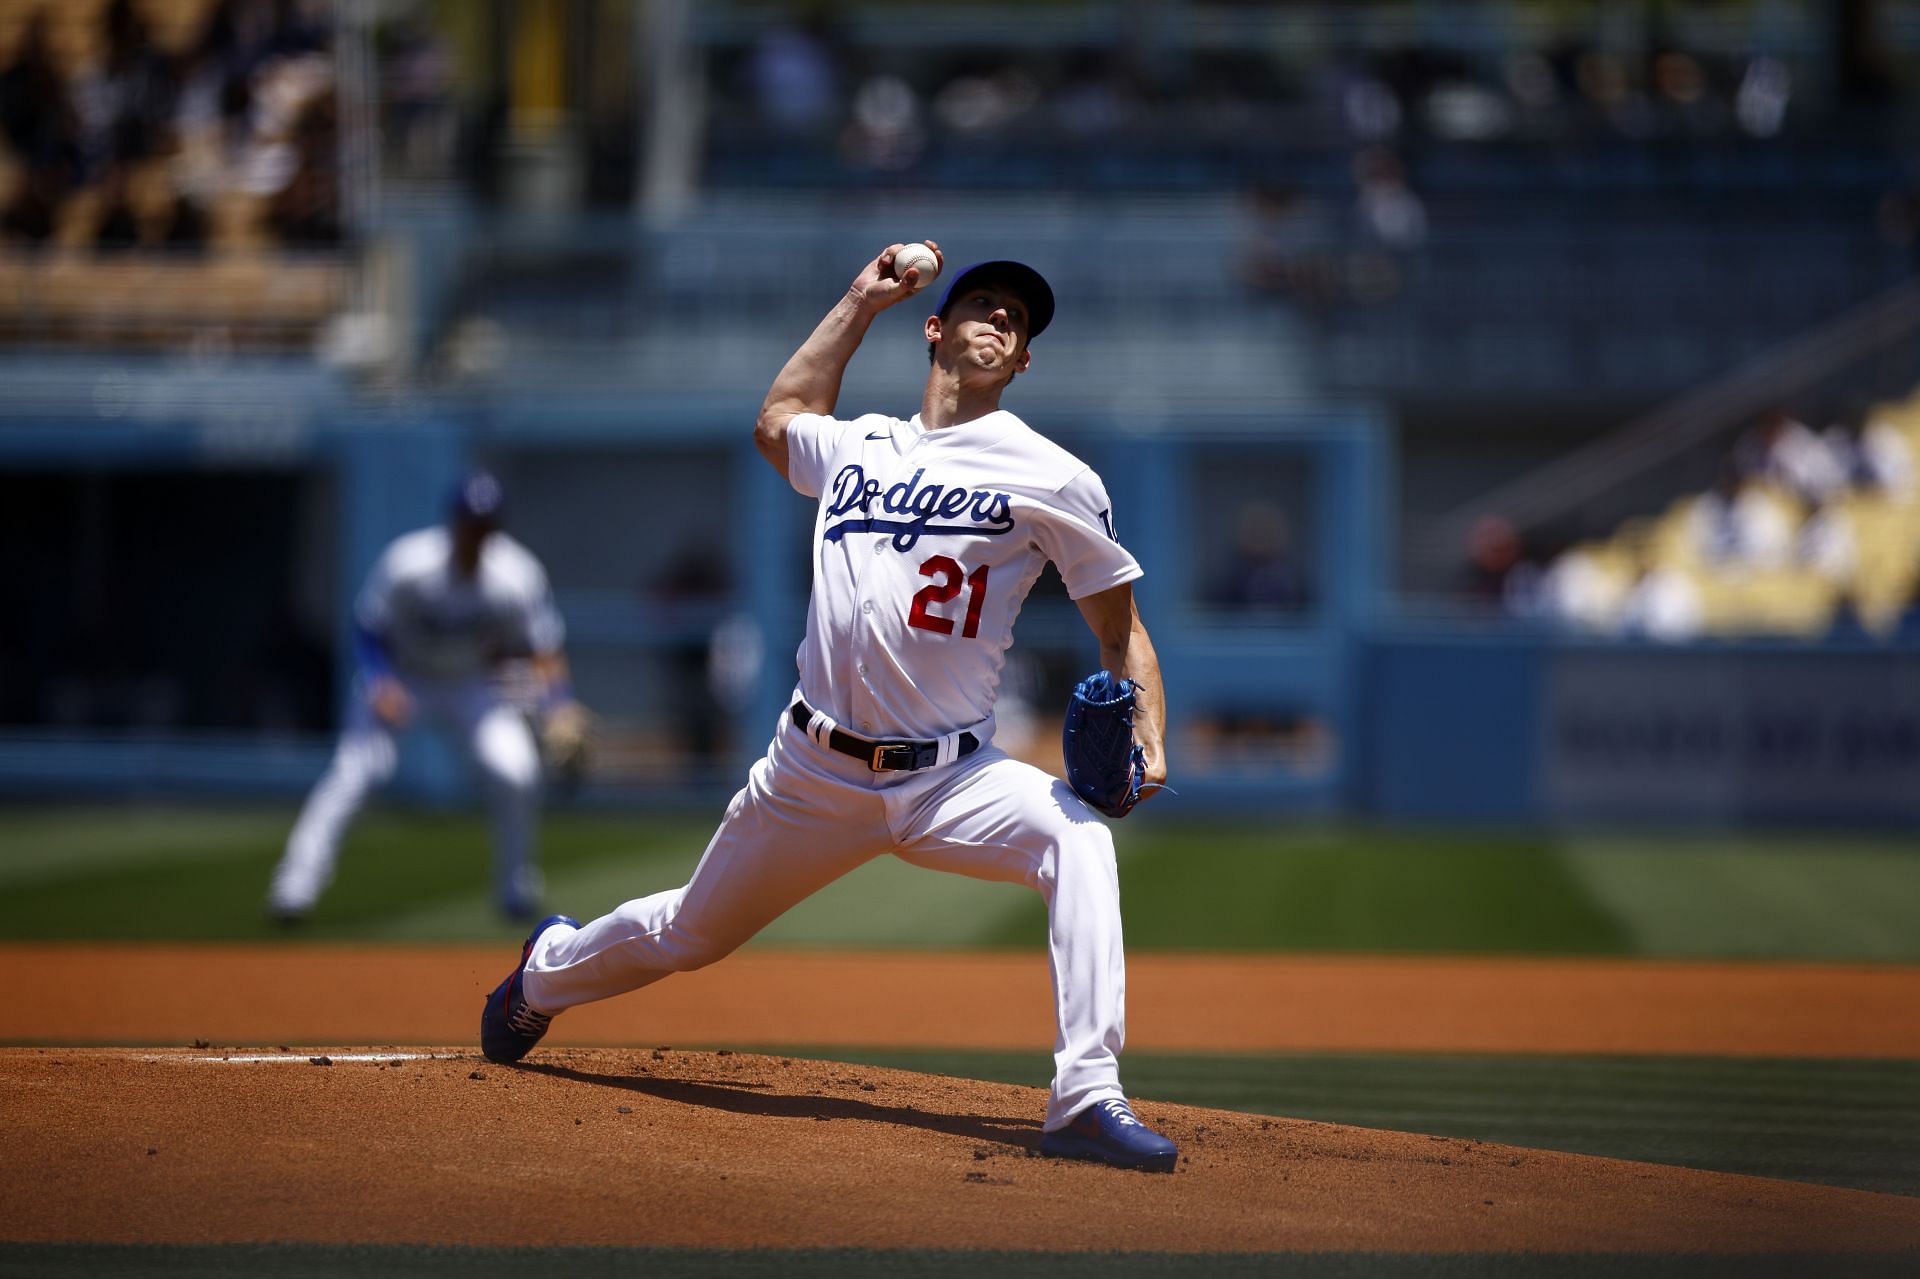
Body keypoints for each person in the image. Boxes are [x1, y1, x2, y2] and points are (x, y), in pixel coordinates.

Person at [480, 246, 1181, 1173]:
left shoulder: (1053, 475)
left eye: (1018, 321)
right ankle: (546, 972)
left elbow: (1120, 625)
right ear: (935, 327)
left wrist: (1152, 738)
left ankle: (1085, 1096)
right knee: (691, 933)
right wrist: (861, 298)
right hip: (812, 771)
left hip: (953, 775)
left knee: (1079, 839)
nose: (1002, 319)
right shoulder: (858, 443)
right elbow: (777, 423)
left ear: (1021, 365)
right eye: (984, 303)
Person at [267, 470, 580, 925]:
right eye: (470, 522)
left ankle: (516, 888)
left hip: (472, 685)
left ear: (497, 527)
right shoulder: (410, 563)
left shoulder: (517, 574)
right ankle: (294, 887)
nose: (476, 532)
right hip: (405, 676)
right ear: (453, 521)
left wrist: (559, 706)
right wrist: (380, 681)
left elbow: (544, 648)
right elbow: (369, 627)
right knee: (357, 770)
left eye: (486, 524)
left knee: (516, 771)